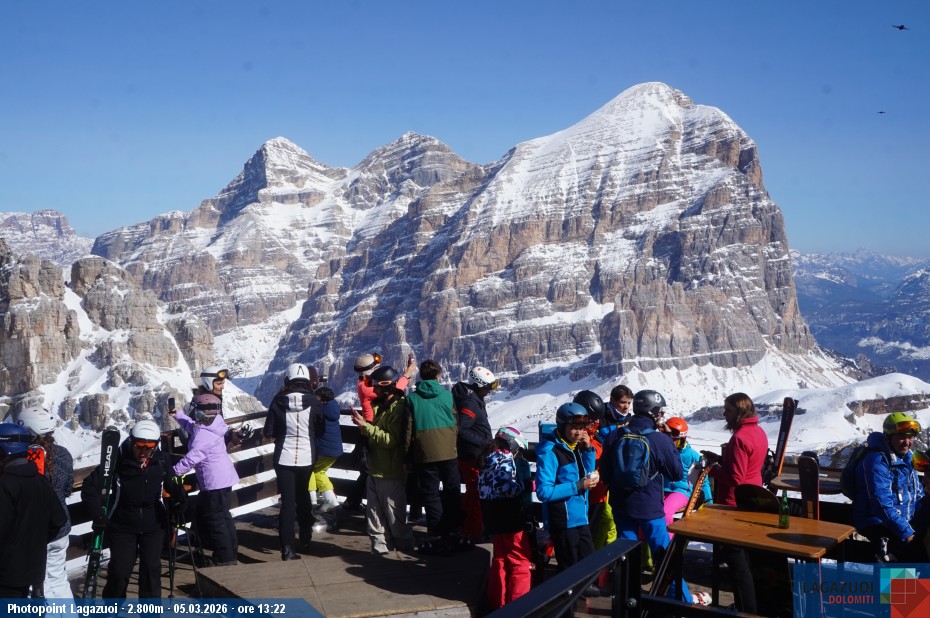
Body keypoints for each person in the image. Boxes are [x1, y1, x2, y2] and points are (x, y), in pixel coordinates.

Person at [601, 389, 698, 604]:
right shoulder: (659, 439)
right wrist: (668, 442)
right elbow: (676, 473)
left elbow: (606, 474)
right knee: (664, 556)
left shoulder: (614, 435)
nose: (661, 416)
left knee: (626, 555)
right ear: (653, 412)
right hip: (649, 507)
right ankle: (683, 603)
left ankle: (627, 600)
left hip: (621, 505)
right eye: (660, 412)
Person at [80, 419, 176, 598]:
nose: (143, 452)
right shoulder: (116, 460)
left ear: (155, 446)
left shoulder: (161, 460)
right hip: (122, 524)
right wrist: (98, 514)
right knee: (119, 572)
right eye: (139, 446)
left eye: (149, 447)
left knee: (151, 571)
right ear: (131, 442)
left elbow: (171, 483)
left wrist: (179, 501)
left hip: (154, 524)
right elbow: (89, 486)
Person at [700, 392, 768, 613]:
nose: (724, 414)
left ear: (739, 412)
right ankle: (750, 605)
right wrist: (720, 459)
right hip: (752, 497)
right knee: (746, 559)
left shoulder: (739, 438)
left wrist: (711, 469)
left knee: (737, 563)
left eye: (728, 410)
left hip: (734, 503)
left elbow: (736, 478)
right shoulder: (758, 431)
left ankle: (745, 609)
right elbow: (746, 466)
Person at [535, 402, 599, 596]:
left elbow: (584, 474)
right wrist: (578, 486)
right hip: (563, 521)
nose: (578, 431)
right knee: (568, 568)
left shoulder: (574, 447)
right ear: (562, 425)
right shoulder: (551, 452)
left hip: (580, 516)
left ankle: (579, 592)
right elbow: (544, 492)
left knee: (588, 560)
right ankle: (565, 603)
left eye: (582, 427)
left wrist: (588, 451)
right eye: (574, 426)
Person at [350, 365, 415, 555]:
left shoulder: (399, 409)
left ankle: (406, 554)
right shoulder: (379, 406)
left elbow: (390, 440)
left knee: (396, 522)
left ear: (387, 387)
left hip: (391, 472)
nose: (374, 390)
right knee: (374, 521)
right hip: (375, 469)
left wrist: (366, 427)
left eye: (377, 386)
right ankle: (379, 556)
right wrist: (364, 426)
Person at [0, 422, 67, 598]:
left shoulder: (5, 485)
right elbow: (58, 520)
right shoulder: (40, 480)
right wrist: (34, 543)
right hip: (32, 569)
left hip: (6, 573)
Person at [172, 393, 239, 566]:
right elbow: (192, 426)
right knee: (224, 516)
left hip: (214, 482)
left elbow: (192, 458)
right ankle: (231, 553)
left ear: (199, 411)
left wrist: (173, 472)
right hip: (224, 478)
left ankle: (223, 558)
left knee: (215, 519)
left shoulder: (203, 435)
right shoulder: (215, 424)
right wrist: (178, 415)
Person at [264, 363, 323, 560]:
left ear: (287, 380)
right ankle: (305, 534)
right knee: (303, 495)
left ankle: (287, 549)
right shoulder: (315, 402)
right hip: (307, 456)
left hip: (284, 457)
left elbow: (269, 431)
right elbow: (320, 430)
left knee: (287, 503)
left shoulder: (278, 400)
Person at [343, 352, 415, 511]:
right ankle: (356, 502)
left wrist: (407, 374)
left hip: (374, 429)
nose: (378, 369)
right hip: (369, 431)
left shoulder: (366, 383)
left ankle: (354, 502)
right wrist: (407, 374)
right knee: (370, 471)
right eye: (375, 367)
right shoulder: (365, 387)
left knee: (370, 471)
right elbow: (394, 388)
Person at [15, 407, 74, 599]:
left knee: (38, 587)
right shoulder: (63, 454)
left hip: (33, 533)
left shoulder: (20, 460)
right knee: (58, 579)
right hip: (60, 529)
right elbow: (67, 489)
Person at [405, 359, 463, 553]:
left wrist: (407, 457)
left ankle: (437, 535)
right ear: (438, 375)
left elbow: (408, 430)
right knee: (452, 491)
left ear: (421, 376)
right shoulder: (447, 395)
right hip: (449, 451)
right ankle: (454, 532)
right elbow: (456, 421)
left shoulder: (412, 399)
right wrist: (452, 442)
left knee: (431, 494)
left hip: (424, 453)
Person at [851, 412, 926, 562]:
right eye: (901, 437)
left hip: (900, 521)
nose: (907, 442)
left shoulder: (908, 457)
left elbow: (917, 495)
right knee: (902, 556)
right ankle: (892, 577)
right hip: (876, 522)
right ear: (888, 437)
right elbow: (881, 504)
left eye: (910, 437)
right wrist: (906, 532)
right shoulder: (876, 460)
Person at [479, 426, 533, 611]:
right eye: (518, 449)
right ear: (512, 444)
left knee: (500, 559)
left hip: (492, 517)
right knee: (520, 561)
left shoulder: (487, 458)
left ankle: (497, 604)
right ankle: (519, 608)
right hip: (509, 517)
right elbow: (504, 487)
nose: (518, 454)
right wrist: (525, 486)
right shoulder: (504, 458)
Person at [453, 365, 499, 542]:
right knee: (477, 496)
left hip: (474, 455)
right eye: (488, 387)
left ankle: (467, 529)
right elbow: (462, 429)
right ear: (479, 385)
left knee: (473, 494)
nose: (489, 391)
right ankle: (471, 533)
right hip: (473, 457)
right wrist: (485, 443)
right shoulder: (471, 403)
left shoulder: (474, 398)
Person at [572, 390, 616, 549]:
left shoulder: (593, 437)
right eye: (593, 418)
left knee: (598, 536)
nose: (597, 421)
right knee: (586, 543)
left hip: (600, 496)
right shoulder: (575, 441)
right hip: (587, 499)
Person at [661, 417, 712, 533]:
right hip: (661, 489)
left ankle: (667, 542)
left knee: (664, 513)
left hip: (681, 491)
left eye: (674, 440)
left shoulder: (692, 456)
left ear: (682, 439)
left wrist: (709, 503)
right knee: (647, 511)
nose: (670, 443)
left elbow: (703, 480)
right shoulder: (662, 451)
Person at [311, 386, 343, 515]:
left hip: (323, 450)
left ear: (322, 399)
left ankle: (311, 500)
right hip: (335, 450)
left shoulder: (320, 410)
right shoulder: (334, 407)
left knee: (310, 470)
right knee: (320, 472)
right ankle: (331, 500)